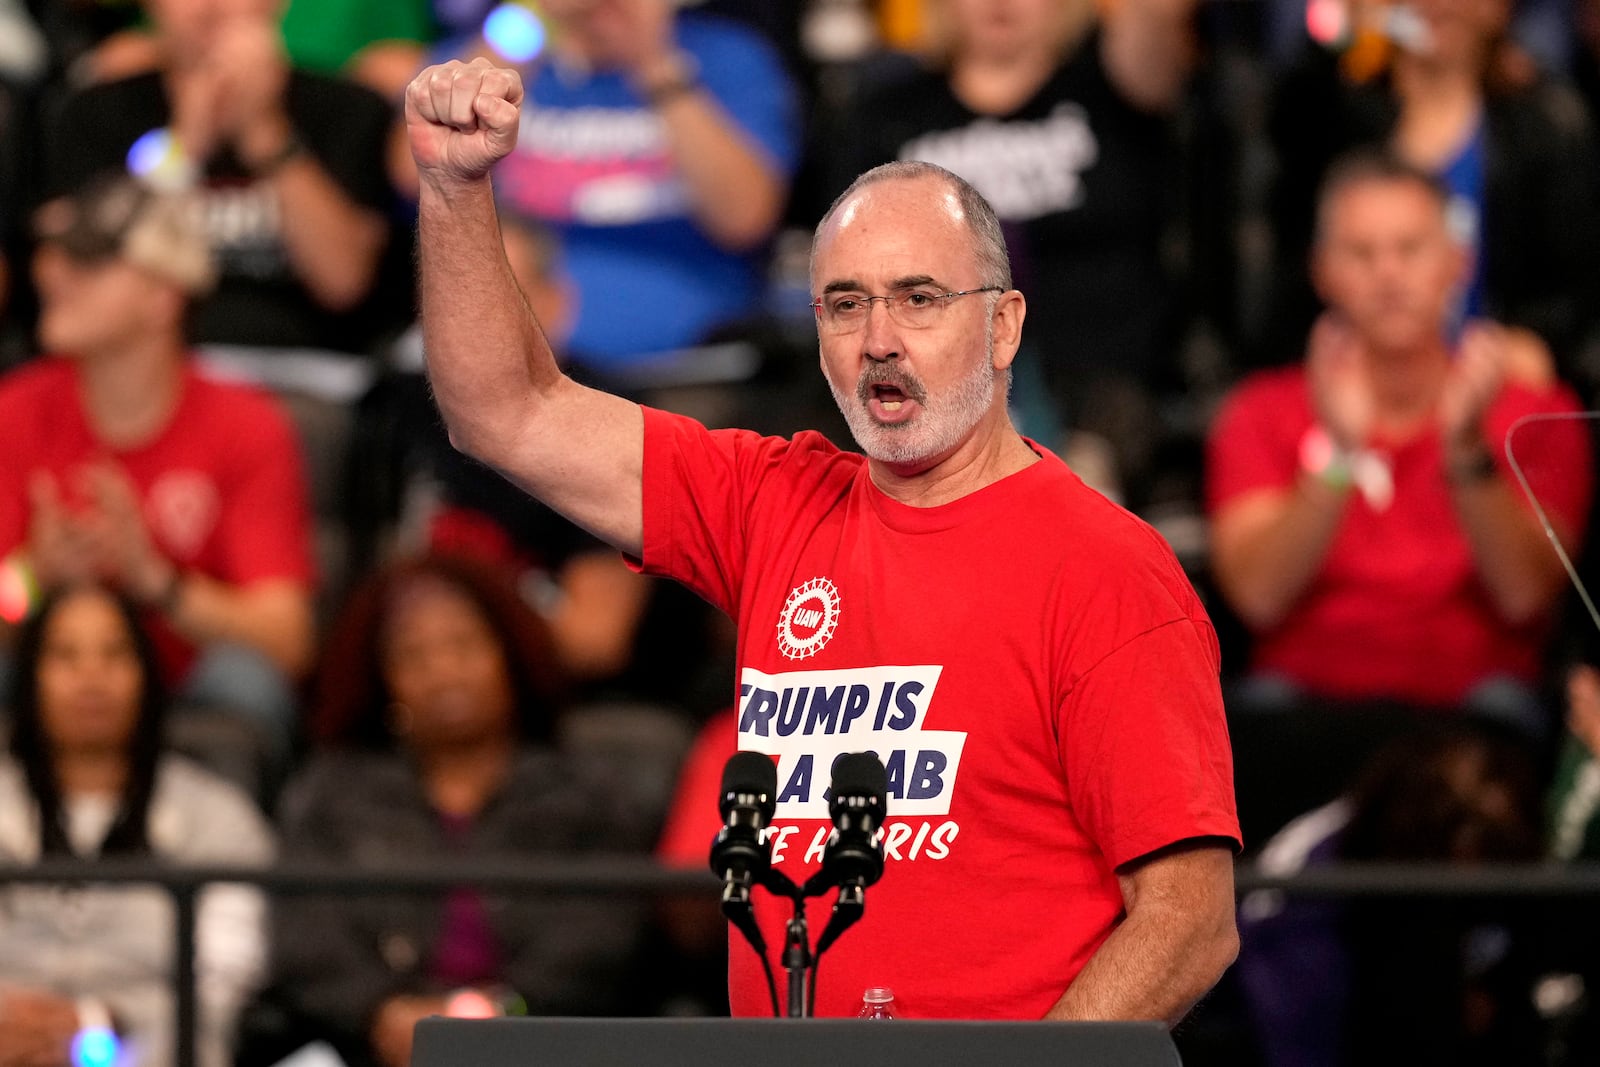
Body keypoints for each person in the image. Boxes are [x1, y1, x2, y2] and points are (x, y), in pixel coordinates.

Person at [405, 57, 1240, 1022]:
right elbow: (504, 410)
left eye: (919, 298)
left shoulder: (1108, 569)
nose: (878, 337)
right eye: (845, 304)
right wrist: (455, 185)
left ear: (1004, 326)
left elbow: (1189, 916)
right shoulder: (772, 502)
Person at [1207, 151, 1592, 841]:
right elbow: (1258, 594)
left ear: (1458, 261)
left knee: (1497, 745)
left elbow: (1526, 593)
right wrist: (1339, 456)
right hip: (1298, 711)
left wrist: (1469, 450)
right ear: (1323, 270)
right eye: (1362, 252)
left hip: (1477, 713)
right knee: (1234, 737)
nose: (1388, 274)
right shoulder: (1259, 413)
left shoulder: (1536, 413)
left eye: (1410, 249)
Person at [270, 554, 655, 1067]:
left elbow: (603, 938)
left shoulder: (583, 794)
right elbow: (306, 938)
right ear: (384, 682)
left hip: (547, 1049)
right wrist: (380, 1013)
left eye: (464, 645)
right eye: (415, 656)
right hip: (367, 1048)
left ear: (508, 656)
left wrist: (507, 1011)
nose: (443, 672)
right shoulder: (334, 795)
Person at [0, 174, 317, 758]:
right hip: (45, 679)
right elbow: (9, 597)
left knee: (248, 685)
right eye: (54, 257)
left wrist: (158, 582)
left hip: (182, 682)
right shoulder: (15, 410)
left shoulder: (246, 425)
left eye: (89, 264)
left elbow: (288, 639)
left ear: (162, 297)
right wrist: (34, 577)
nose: (50, 274)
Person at [828, 0, 1199, 494]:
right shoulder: (888, 113)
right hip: (932, 374)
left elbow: (1155, 41)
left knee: (1073, 485)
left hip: (1104, 381)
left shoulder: (1115, 92)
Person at [417, 0, 801, 376]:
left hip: (688, 357)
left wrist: (653, 64)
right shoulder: (499, 53)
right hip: (513, 338)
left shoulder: (728, 59)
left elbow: (746, 219)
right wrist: (525, 18)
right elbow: (417, 170)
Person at [0, 582, 274, 1067]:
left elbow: (222, 988)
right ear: (30, 679)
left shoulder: (219, 818)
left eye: (114, 653)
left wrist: (100, 1025)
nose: (91, 676)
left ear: (147, 675)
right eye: (65, 655)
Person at [44, 0, 397, 361]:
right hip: (148, 369)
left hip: (305, 373)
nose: (213, 7)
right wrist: (184, 146)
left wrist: (266, 133)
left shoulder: (350, 109)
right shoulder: (93, 114)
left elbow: (343, 283)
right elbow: (87, 271)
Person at [1264, 0, 1600, 376]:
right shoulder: (1332, 117)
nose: (1438, 5)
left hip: (1494, 380)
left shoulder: (1543, 127)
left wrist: (1538, 343)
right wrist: (1347, 29)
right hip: (1357, 383)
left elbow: (1575, 293)